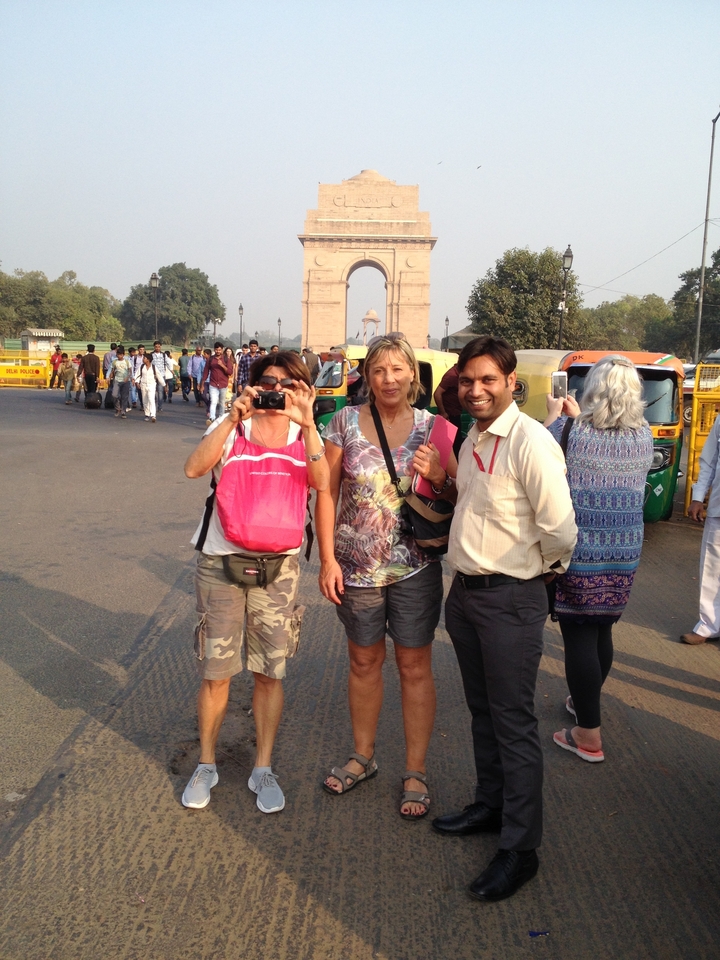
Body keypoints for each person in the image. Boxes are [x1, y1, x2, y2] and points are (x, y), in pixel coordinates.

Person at [431, 335, 576, 903]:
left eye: (488, 380)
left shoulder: (531, 443)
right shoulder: (472, 439)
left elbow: (561, 529)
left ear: (511, 382)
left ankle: (521, 848)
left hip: (511, 598)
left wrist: (533, 577)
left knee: (513, 722)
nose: (476, 390)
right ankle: (491, 806)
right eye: (468, 381)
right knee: (483, 712)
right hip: (466, 596)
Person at [181, 351, 329, 814]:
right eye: (268, 381)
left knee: (270, 671)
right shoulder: (234, 426)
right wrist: (231, 416)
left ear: (304, 389)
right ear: (253, 383)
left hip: (278, 568)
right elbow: (193, 468)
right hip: (221, 560)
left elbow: (323, 483)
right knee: (216, 671)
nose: (276, 391)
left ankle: (262, 766)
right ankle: (206, 763)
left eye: (289, 383)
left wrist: (307, 426)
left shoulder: (304, 434)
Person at [317, 333, 455, 820]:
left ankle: (414, 769)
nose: (388, 378)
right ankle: (363, 755)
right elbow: (327, 494)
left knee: (415, 666)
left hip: (414, 566)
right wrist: (328, 559)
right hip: (356, 569)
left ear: (412, 376)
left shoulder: (435, 427)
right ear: (366, 377)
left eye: (398, 369)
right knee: (363, 662)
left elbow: (456, 492)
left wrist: (438, 473)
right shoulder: (342, 424)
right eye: (379, 370)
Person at [544, 356, 653, 759]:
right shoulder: (644, 434)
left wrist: (558, 414)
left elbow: (539, 452)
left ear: (592, 389)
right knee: (603, 627)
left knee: (578, 634)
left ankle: (588, 735)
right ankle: (583, 700)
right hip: (625, 548)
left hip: (582, 548)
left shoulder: (571, 430)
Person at [682, 410, 720, 644]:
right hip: (719, 506)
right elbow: (709, 461)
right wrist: (698, 497)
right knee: (712, 567)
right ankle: (708, 625)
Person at [434, 363, 464, 459]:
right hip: (449, 415)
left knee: (457, 443)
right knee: (452, 444)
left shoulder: (459, 374)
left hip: (456, 412)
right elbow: (437, 393)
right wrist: (443, 413)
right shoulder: (452, 375)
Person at [206, 341, 232, 425]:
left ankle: (221, 418)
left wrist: (222, 365)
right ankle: (212, 419)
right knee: (213, 401)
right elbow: (205, 371)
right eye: (216, 350)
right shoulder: (211, 359)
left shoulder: (226, 360)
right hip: (213, 384)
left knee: (221, 403)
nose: (218, 351)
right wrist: (202, 383)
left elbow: (230, 372)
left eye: (219, 350)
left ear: (222, 350)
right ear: (214, 350)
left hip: (223, 384)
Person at [137, 352, 165, 422]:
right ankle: (147, 414)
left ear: (148, 360)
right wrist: (137, 382)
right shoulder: (141, 367)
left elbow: (159, 376)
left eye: (144, 358)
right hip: (143, 385)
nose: (143, 359)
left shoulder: (154, 367)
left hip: (151, 385)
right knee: (145, 400)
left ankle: (153, 415)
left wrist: (164, 385)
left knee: (151, 399)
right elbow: (137, 375)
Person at [108, 346, 133, 419]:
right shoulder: (115, 362)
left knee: (124, 397)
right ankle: (117, 408)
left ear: (123, 354)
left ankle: (123, 411)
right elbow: (112, 371)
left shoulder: (127, 362)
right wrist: (109, 377)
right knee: (114, 395)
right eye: (118, 354)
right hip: (117, 381)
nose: (119, 356)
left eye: (120, 354)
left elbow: (130, 371)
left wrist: (128, 377)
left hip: (125, 381)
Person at [151, 341, 169, 412]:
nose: (157, 348)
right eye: (156, 347)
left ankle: (160, 406)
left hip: (162, 375)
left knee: (160, 391)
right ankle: (153, 405)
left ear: (160, 347)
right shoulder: (151, 355)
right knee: (153, 391)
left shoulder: (164, 355)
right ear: (154, 347)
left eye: (159, 347)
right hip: (153, 375)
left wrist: (172, 371)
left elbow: (168, 363)